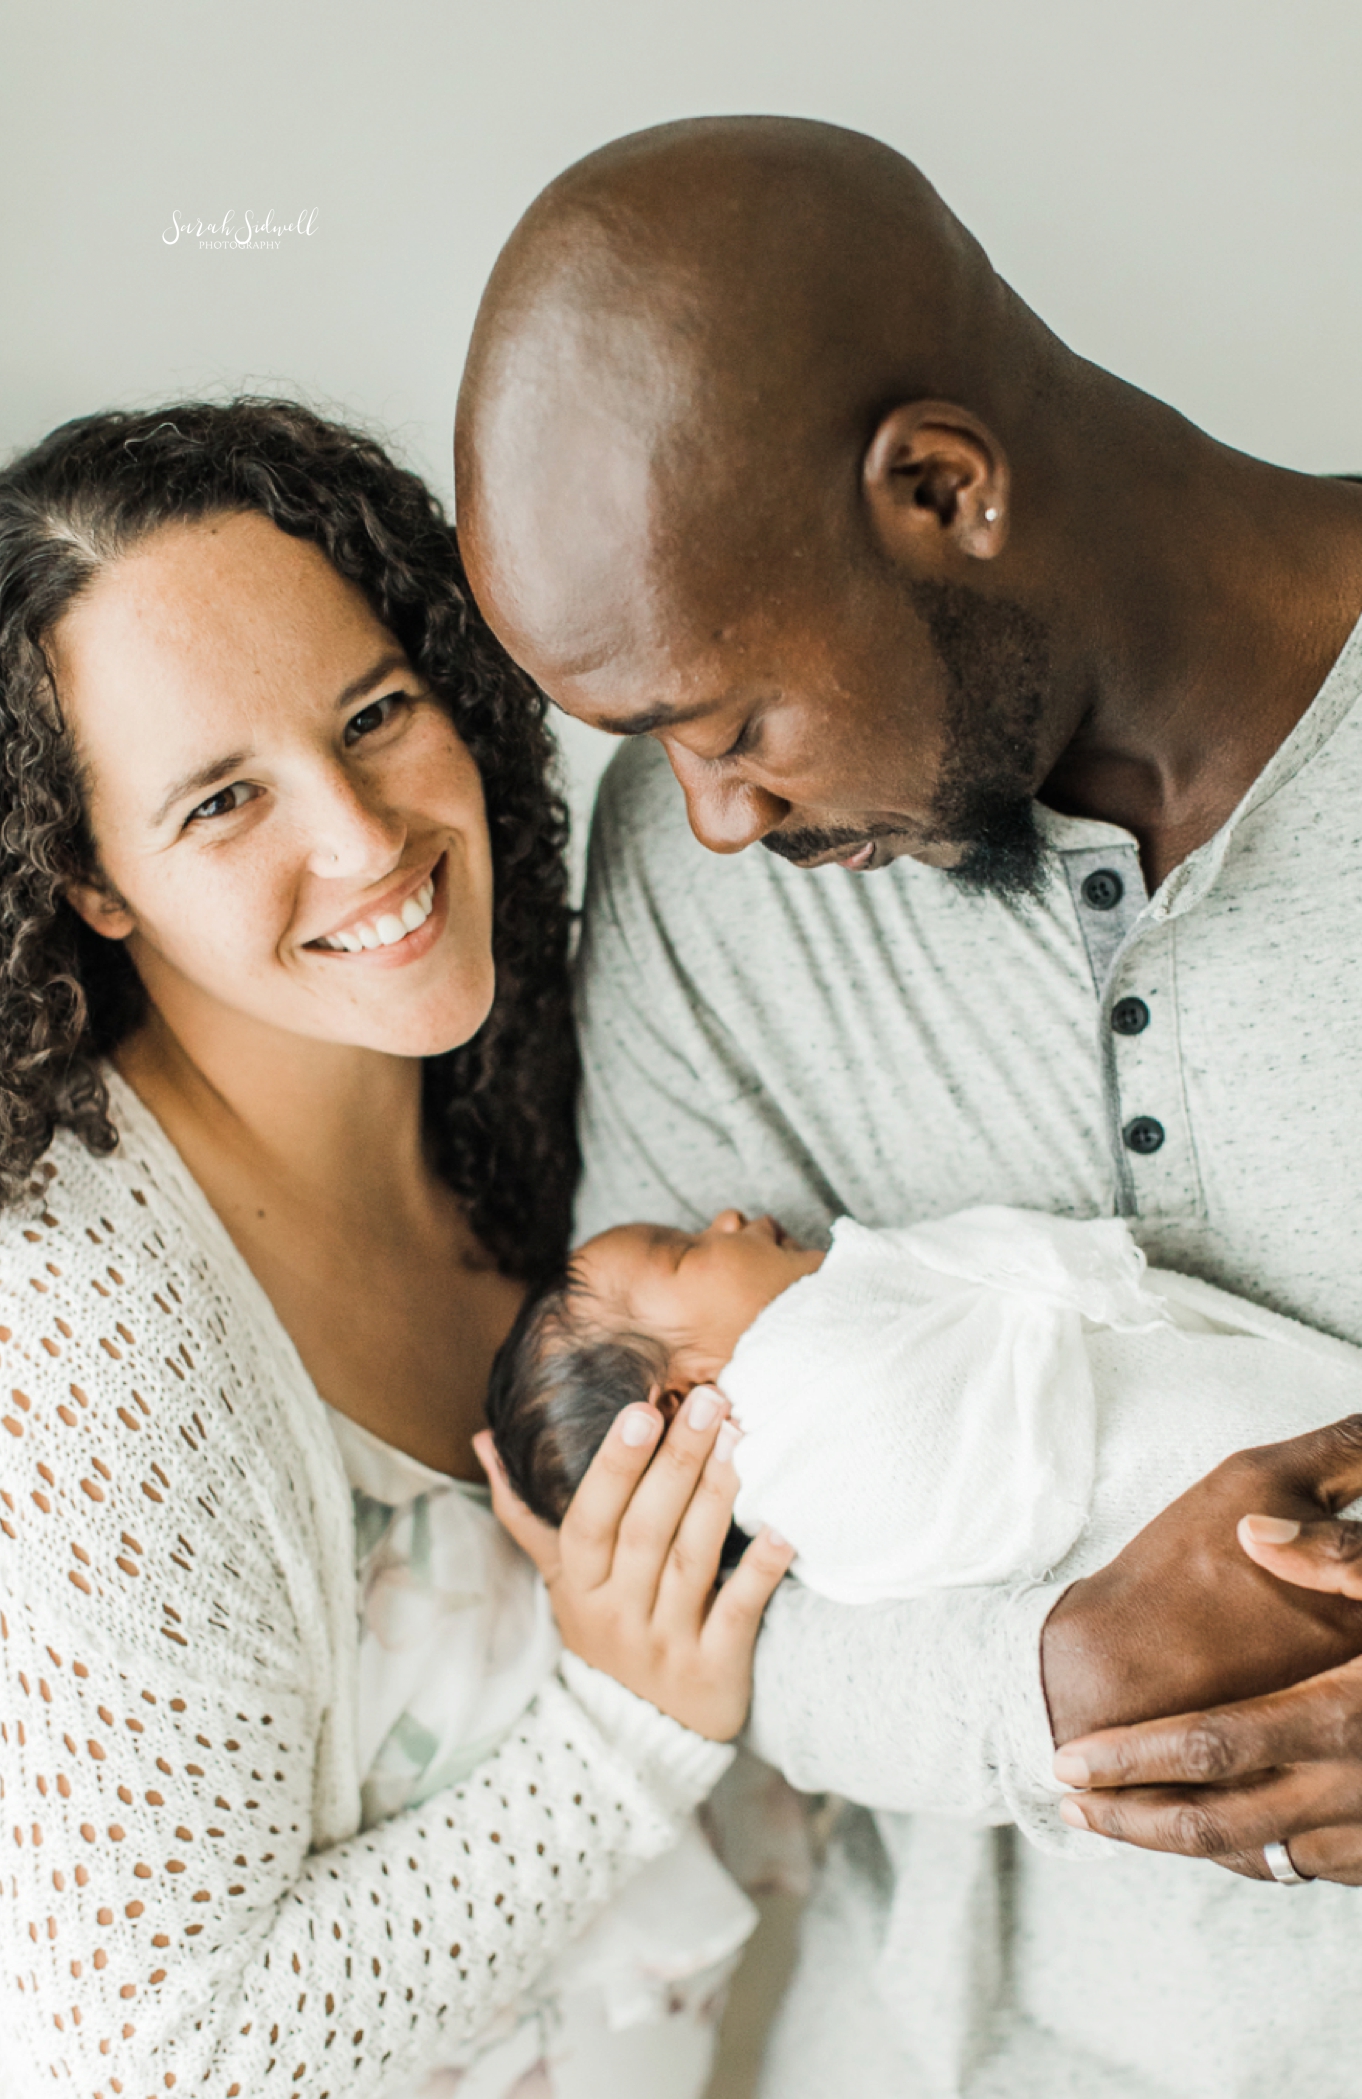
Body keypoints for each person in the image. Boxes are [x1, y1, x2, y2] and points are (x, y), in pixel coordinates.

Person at [455, 116, 1362, 2095]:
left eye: (727, 721)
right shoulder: (719, 893)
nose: (709, 818)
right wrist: (1038, 1692)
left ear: (941, 487)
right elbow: (670, 1580)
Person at [0, 399, 793, 2099]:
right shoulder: (56, 1344)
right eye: (219, 800)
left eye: (374, 712)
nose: (361, 838)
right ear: (89, 882)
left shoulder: (549, 1099)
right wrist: (619, 1734)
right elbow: (149, 2059)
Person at [489, 1201, 1362, 1611]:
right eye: (682, 1249)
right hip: (1177, 1480)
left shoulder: (809, 1558)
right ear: (682, 1403)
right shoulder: (810, 1401)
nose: (725, 1215)